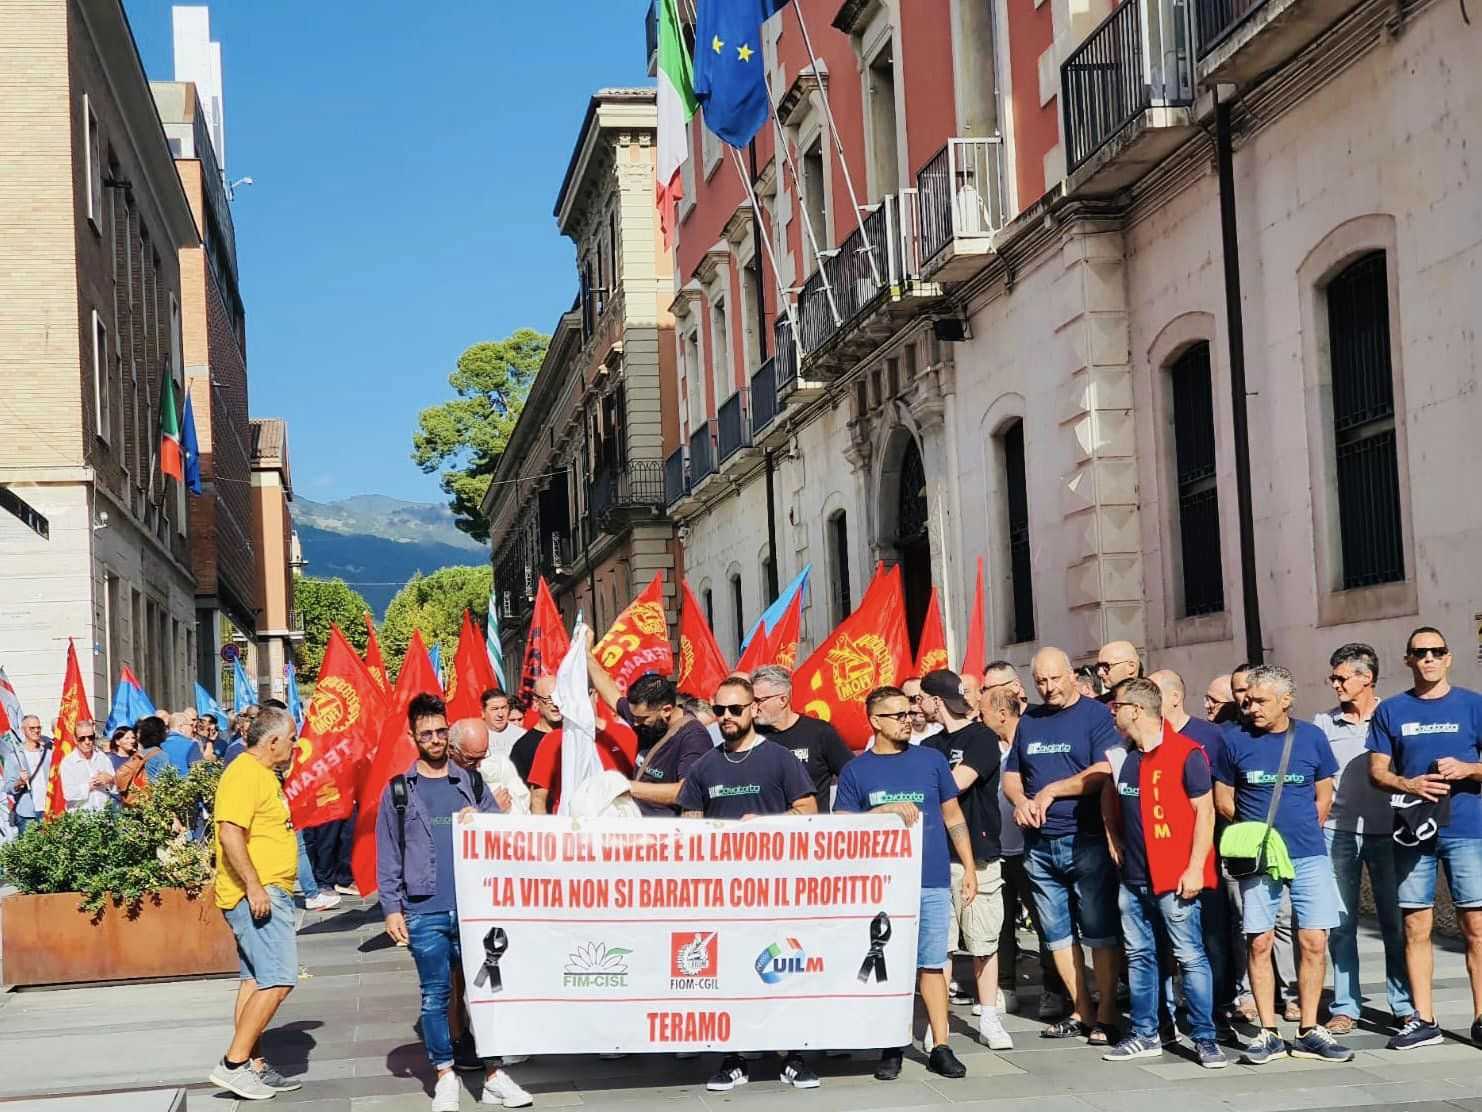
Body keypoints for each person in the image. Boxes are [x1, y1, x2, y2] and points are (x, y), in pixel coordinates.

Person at [376, 694, 529, 1111]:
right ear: (413, 737)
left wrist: (481, 820)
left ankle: (494, 1074)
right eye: (426, 733)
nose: (435, 739)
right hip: (424, 908)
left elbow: (499, 836)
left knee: (486, 992)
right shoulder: (399, 791)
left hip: (472, 907)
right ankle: (445, 1074)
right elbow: (388, 853)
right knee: (435, 995)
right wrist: (391, 908)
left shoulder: (471, 783)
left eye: (441, 731)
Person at [678, 677, 818, 1092]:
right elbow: (690, 823)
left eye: (735, 709)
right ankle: (733, 1058)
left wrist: (767, 825)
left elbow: (807, 810)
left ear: (754, 710)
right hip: (724, 894)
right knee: (731, 976)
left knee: (783, 972)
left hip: (777, 889)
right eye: (719, 710)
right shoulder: (705, 766)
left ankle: (791, 1056)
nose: (726, 717)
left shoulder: (779, 759)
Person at [835, 685, 977, 1082]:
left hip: (931, 880)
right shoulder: (856, 770)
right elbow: (841, 826)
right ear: (875, 721)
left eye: (910, 712)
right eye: (898, 715)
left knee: (933, 964)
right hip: (883, 887)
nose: (908, 720)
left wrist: (967, 867)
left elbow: (953, 816)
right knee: (889, 967)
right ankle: (891, 1046)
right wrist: (881, 811)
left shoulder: (931, 760)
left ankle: (941, 1045)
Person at [1213, 664, 1350, 1064]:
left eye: (1261, 701)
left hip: (1308, 854)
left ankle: (1308, 1029)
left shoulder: (1311, 737)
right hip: (1259, 859)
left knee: (1314, 940)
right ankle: (1268, 1032)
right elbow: (1223, 798)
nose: (1251, 707)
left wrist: (1305, 827)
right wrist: (1257, 837)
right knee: (1259, 941)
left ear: (1286, 700)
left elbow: (1324, 793)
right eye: (1248, 700)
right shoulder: (1233, 740)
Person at [1100, 678, 1227, 1068]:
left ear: (1136, 710)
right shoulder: (1125, 756)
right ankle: (1146, 1033)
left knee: (1189, 956)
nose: (1112, 714)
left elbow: (1205, 813)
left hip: (1175, 878)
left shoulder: (1187, 753)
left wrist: (1195, 868)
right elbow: (1111, 797)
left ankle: (1205, 1038)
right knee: (1139, 956)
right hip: (1134, 878)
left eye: (1117, 707)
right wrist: (1113, 837)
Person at [1367, 626, 1482, 1051]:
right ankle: (1424, 1020)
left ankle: (1481, 1017)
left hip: (1467, 828)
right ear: (1408, 660)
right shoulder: (1392, 710)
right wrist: (1409, 784)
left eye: (1437, 651)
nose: (1429, 658)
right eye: (1420, 652)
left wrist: (1468, 769)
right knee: (1415, 925)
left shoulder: (1473, 705)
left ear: (1448, 657)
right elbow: (1377, 772)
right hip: (1413, 829)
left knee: (1476, 926)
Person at [1001, 647, 1121, 1043]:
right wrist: (1021, 802)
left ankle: (1107, 1013)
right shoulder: (1030, 721)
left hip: (1085, 838)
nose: (1049, 687)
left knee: (1098, 931)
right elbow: (1012, 775)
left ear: (1072, 675)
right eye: (1041, 681)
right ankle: (1081, 1009)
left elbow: (1105, 769)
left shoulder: (1095, 715)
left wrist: (1054, 790)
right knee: (1056, 934)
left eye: (1055, 679)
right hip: (1039, 844)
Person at [207, 705, 307, 1101]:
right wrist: (254, 886)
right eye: (292, 739)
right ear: (273, 741)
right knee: (279, 979)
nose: (296, 745)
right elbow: (230, 833)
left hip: (264, 891)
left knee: (255, 980)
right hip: (259, 894)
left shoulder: (262, 774)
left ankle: (253, 1064)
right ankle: (233, 1064)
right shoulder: (244, 773)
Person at [1315, 643, 1410, 1034]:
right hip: (1338, 832)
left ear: (1366, 678)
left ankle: (1404, 1005)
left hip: (1389, 832)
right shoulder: (1324, 723)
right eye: (1333, 677)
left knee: (1395, 922)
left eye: (1341, 677)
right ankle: (1345, 1006)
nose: (1335, 684)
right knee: (1341, 924)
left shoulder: (1393, 716)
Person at [918, 669, 1010, 1049]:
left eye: (922, 698)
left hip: (979, 856)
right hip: (937, 857)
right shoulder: (929, 745)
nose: (918, 706)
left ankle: (989, 1017)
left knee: (983, 942)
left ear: (936, 701)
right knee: (939, 947)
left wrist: (924, 785)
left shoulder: (982, 738)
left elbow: (957, 784)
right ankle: (938, 1020)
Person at [1149, 668, 1238, 1027]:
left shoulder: (1210, 736)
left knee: (1213, 932)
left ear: (1174, 697)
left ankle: (1219, 1003)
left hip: (1206, 852)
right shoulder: (1146, 737)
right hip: (1161, 855)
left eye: (1155, 692)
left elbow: (1220, 794)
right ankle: (1169, 1004)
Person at [751, 664, 854, 811]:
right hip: (766, 824)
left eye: (758, 701)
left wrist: (842, 812)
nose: (754, 707)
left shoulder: (819, 732)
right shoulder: (751, 736)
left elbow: (854, 777)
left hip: (811, 823)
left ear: (783, 700)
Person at [613, 672, 714, 816]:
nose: (635, 723)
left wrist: (627, 787)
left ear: (666, 710)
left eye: (642, 718)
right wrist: (588, 660)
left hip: (665, 826)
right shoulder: (644, 716)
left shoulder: (694, 737)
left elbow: (687, 790)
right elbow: (612, 695)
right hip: (636, 818)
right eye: (634, 717)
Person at [526, 688, 637, 814]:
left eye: (583, 693)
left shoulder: (624, 735)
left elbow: (638, 787)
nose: (579, 701)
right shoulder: (552, 740)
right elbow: (538, 799)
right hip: (569, 822)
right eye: (572, 696)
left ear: (595, 695)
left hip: (616, 822)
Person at [6, 715, 53, 835]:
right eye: (32, 728)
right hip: (26, 813)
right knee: (29, 847)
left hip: (48, 810)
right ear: (23, 730)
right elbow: (8, 787)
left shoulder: (48, 753)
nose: (36, 731)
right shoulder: (15, 756)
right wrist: (20, 782)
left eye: (38, 728)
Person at [509, 676, 560, 783]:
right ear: (536, 702)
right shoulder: (523, 747)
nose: (556, 704)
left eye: (560, 698)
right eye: (549, 699)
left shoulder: (574, 736)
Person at [59, 720, 118, 811]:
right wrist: (90, 786)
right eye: (82, 738)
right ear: (75, 739)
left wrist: (111, 780)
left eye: (91, 737)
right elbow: (68, 794)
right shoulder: (68, 763)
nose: (87, 742)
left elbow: (116, 789)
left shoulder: (102, 757)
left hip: (104, 814)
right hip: (80, 816)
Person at [479, 688, 525, 763]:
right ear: (483, 712)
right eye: (495, 709)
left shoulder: (522, 735)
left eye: (503, 708)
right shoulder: (474, 736)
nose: (500, 714)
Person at [163, 709, 204, 774]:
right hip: (186, 780)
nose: (194, 728)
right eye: (191, 725)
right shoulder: (192, 745)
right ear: (181, 726)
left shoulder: (160, 744)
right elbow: (200, 772)